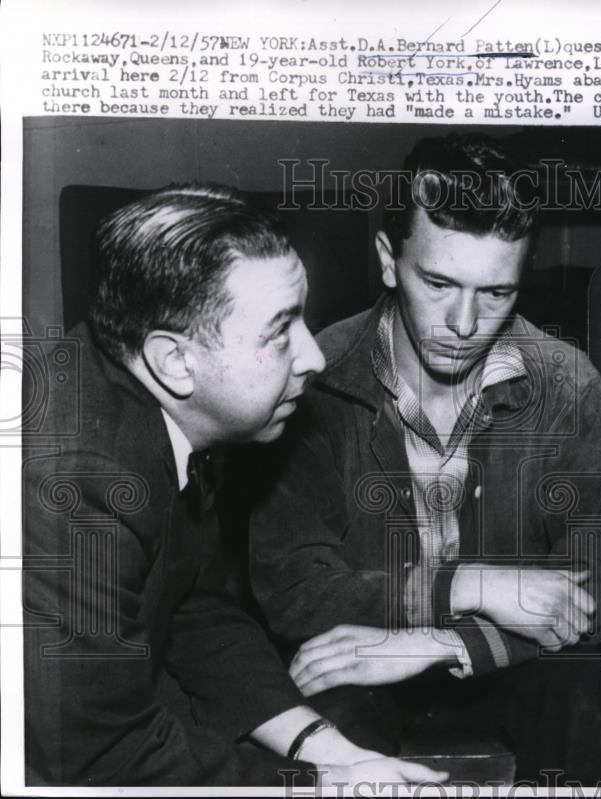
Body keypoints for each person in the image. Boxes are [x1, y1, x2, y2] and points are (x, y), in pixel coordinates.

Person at [248, 133, 601, 785]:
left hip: (507, 664)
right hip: (360, 667)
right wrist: (466, 585)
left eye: (496, 292)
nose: (464, 323)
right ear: (388, 260)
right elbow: (293, 589)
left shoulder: (566, 383)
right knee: (326, 709)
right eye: (438, 283)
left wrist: (442, 638)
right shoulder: (313, 380)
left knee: (588, 694)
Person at [21, 185, 446, 787]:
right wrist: (317, 787)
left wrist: (329, 750)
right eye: (280, 331)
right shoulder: (76, 483)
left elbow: (194, 608)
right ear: (174, 361)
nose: (314, 358)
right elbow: (95, 753)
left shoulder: (151, 406)